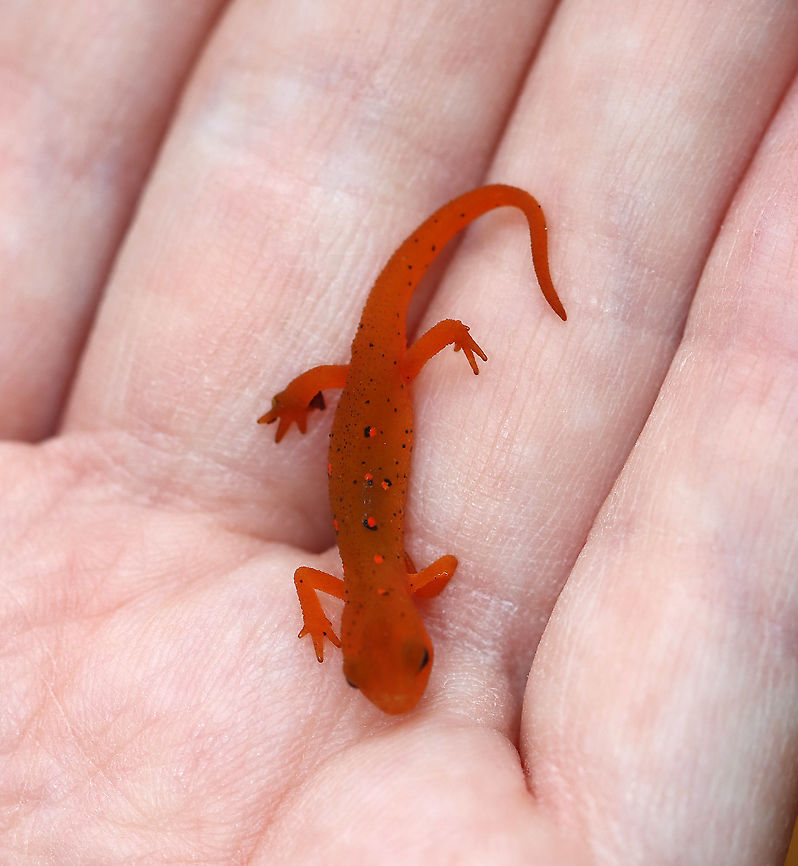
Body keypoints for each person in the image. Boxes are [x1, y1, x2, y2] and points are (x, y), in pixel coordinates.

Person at [1, 3, 797, 862]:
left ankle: (366, 364)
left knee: (390, 358)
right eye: (409, 662)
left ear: (361, 631)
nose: (397, 680)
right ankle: (326, 384)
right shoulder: (373, 586)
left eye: (390, 664)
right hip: (376, 386)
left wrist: (427, 354)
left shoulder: (396, 585)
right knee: (375, 368)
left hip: (385, 380)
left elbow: (387, 576)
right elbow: (351, 581)